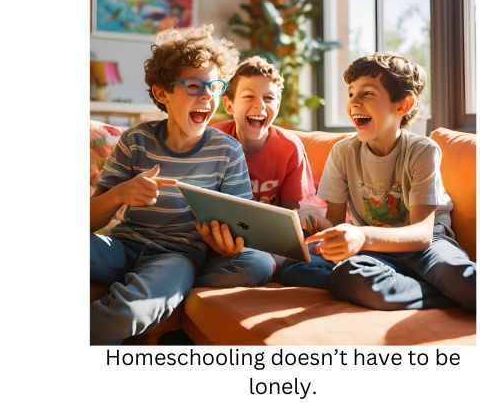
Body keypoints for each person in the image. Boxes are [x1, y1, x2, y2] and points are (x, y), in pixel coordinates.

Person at [90, 25, 275, 345]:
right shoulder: (137, 140)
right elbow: (91, 220)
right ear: (162, 92)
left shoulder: (227, 151)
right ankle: (172, 286)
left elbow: (242, 226)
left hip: (177, 256)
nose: (208, 95)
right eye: (194, 86)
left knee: (256, 262)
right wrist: (121, 193)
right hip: (122, 247)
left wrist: (226, 245)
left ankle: (174, 283)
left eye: (215, 86)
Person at [281, 52, 476, 312]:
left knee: (461, 277)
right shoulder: (343, 152)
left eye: (368, 94)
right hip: (375, 251)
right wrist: (316, 227)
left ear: (403, 105)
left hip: (428, 247)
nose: (354, 102)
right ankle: (436, 293)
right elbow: (337, 223)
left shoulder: (421, 150)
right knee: (300, 268)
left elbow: (421, 235)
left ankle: (430, 287)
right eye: (351, 94)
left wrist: (362, 235)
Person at [214, 55, 316, 210]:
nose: (260, 105)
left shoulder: (290, 148)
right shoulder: (213, 140)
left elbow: (294, 212)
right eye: (249, 96)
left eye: (268, 98)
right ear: (229, 105)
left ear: (278, 106)